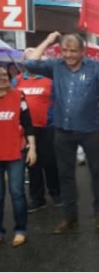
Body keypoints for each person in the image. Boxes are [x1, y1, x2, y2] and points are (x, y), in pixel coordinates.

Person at [24, 31, 99, 234]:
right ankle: (69, 216)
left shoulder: (97, 69)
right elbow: (30, 63)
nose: (69, 54)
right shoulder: (55, 66)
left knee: (97, 172)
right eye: (64, 50)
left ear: (82, 51)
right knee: (65, 175)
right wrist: (48, 40)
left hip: (90, 130)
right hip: (62, 130)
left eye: (73, 50)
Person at [12, 55, 61, 213]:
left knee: (50, 161)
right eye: (26, 58)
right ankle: (37, 198)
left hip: (47, 127)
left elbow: (58, 101)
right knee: (32, 163)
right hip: (26, 129)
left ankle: (56, 193)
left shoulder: (49, 80)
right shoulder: (17, 80)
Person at [0, 65, 37, 247]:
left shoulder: (18, 95)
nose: (4, 78)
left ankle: (20, 230)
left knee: (17, 192)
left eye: (5, 75)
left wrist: (32, 148)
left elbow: (28, 123)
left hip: (16, 152)